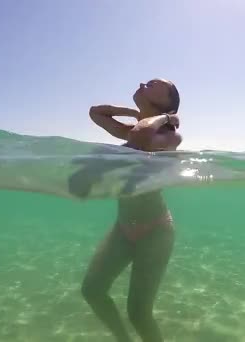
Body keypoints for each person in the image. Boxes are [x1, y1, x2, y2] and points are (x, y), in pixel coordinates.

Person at [81, 78, 182, 342]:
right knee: (92, 290)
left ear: (168, 102)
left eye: (151, 84)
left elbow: (142, 136)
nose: (142, 83)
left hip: (156, 230)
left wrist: (163, 118)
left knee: (138, 312)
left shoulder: (171, 135)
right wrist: (136, 112)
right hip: (123, 227)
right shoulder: (136, 127)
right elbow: (96, 112)